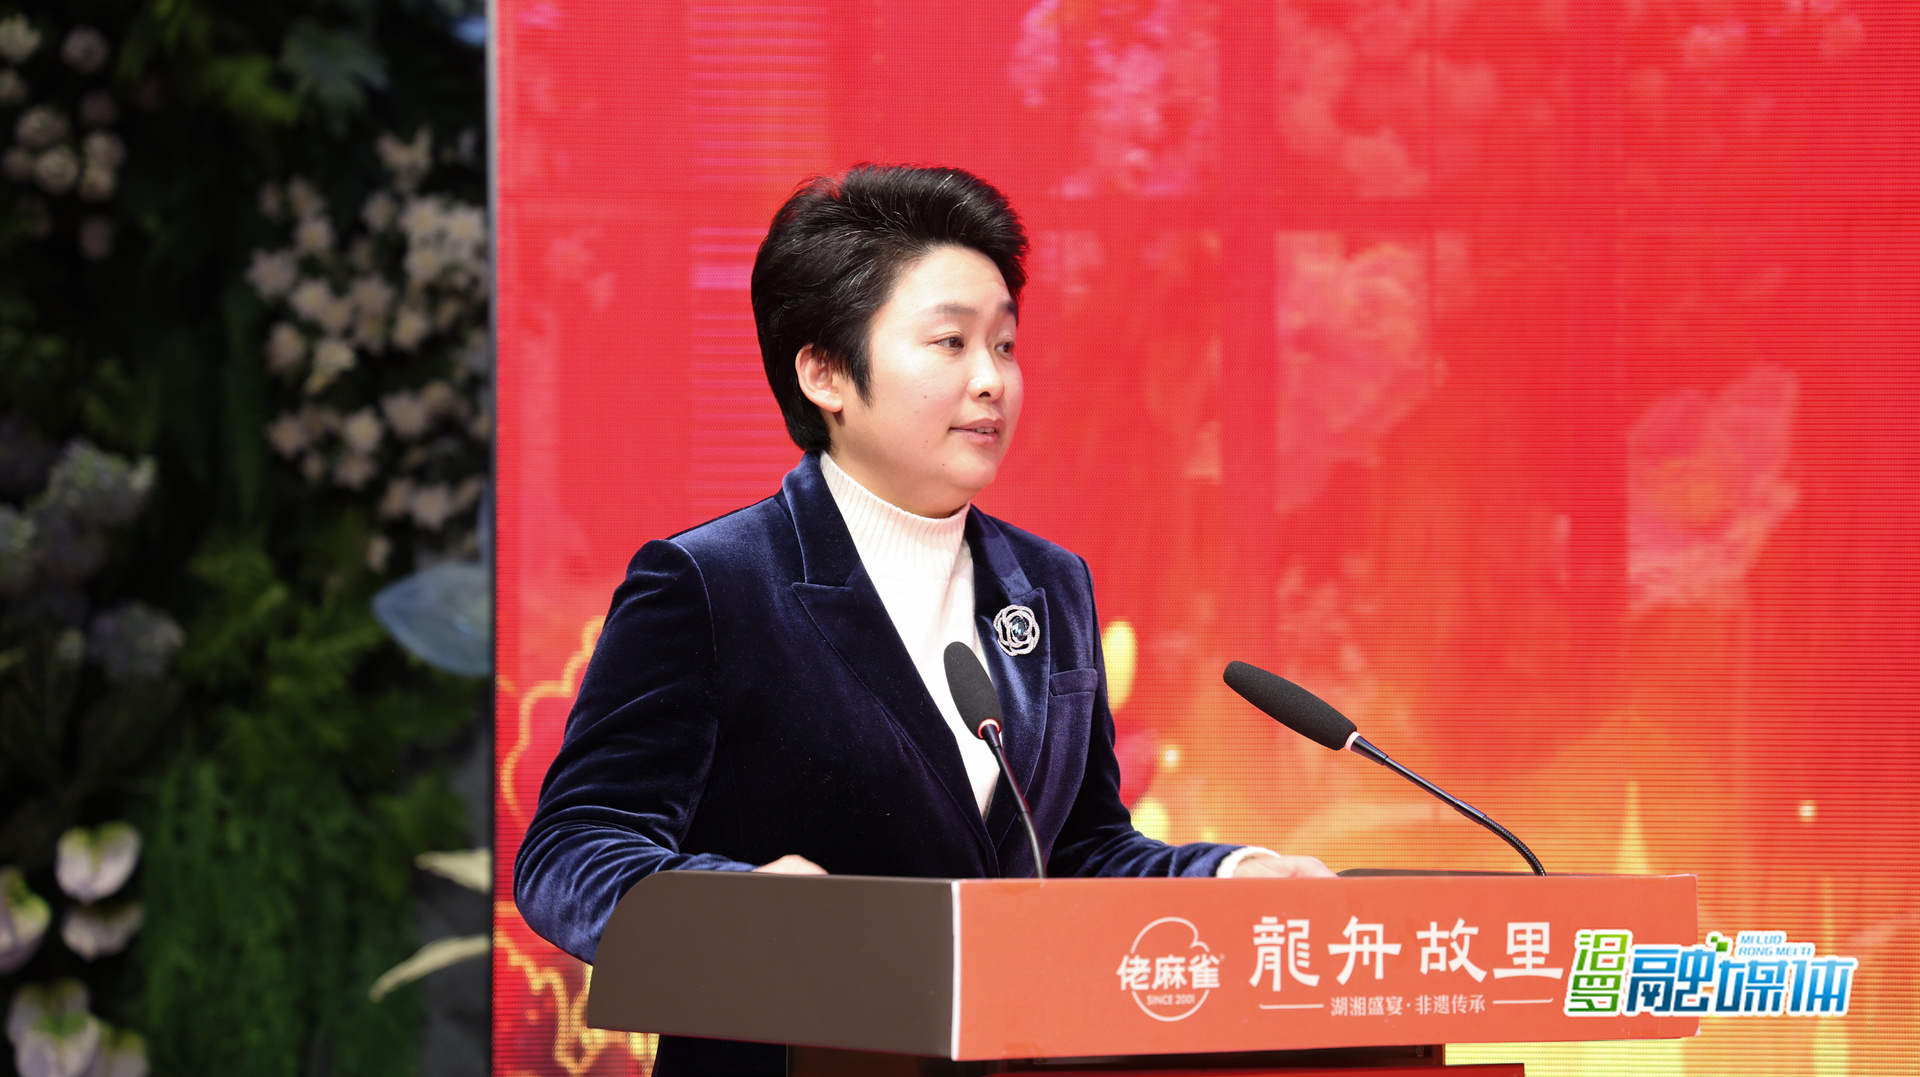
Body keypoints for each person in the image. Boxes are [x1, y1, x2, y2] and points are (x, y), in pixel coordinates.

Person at [514, 164, 1332, 1077]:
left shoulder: (1050, 585)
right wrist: (731, 905)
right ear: (825, 371)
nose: (992, 380)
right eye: (950, 342)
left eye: (1005, 345)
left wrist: (1224, 877)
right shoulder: (712, 583)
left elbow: (1074, 852)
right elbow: (570, 850)